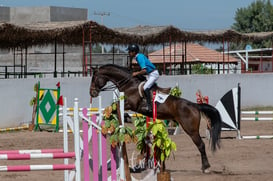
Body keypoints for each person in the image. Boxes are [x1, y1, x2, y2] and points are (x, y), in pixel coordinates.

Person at [127, 44, 159, 113]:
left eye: (129, 51)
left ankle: (149, 106)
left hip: (153, 74)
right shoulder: (138, 57)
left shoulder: (139, 57)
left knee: (145, 88)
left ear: (134, 52)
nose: (128, 53)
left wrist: (136, 73)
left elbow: (144, 70)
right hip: (150, 74)